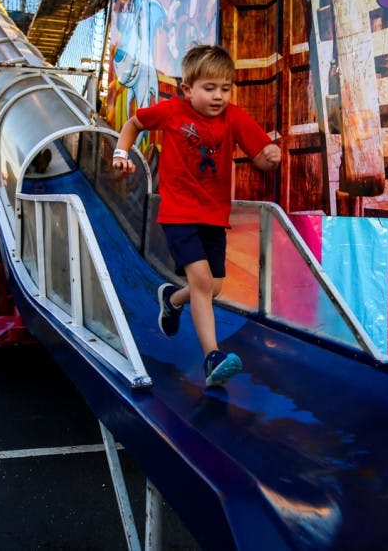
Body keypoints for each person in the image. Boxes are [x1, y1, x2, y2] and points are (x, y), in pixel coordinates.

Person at [111, 45, 281, 386]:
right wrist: (120, 151)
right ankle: (212, 357)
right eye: (209, 88)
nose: (218, 96)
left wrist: (270, 156)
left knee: (214, 286)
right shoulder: (173, 111)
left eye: (225, 88)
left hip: (214, 215)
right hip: (179, 212)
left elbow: (258, 157)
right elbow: (133, 123)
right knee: (202, 282)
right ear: (188, 89)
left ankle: (171, 300)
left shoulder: (234, 117)